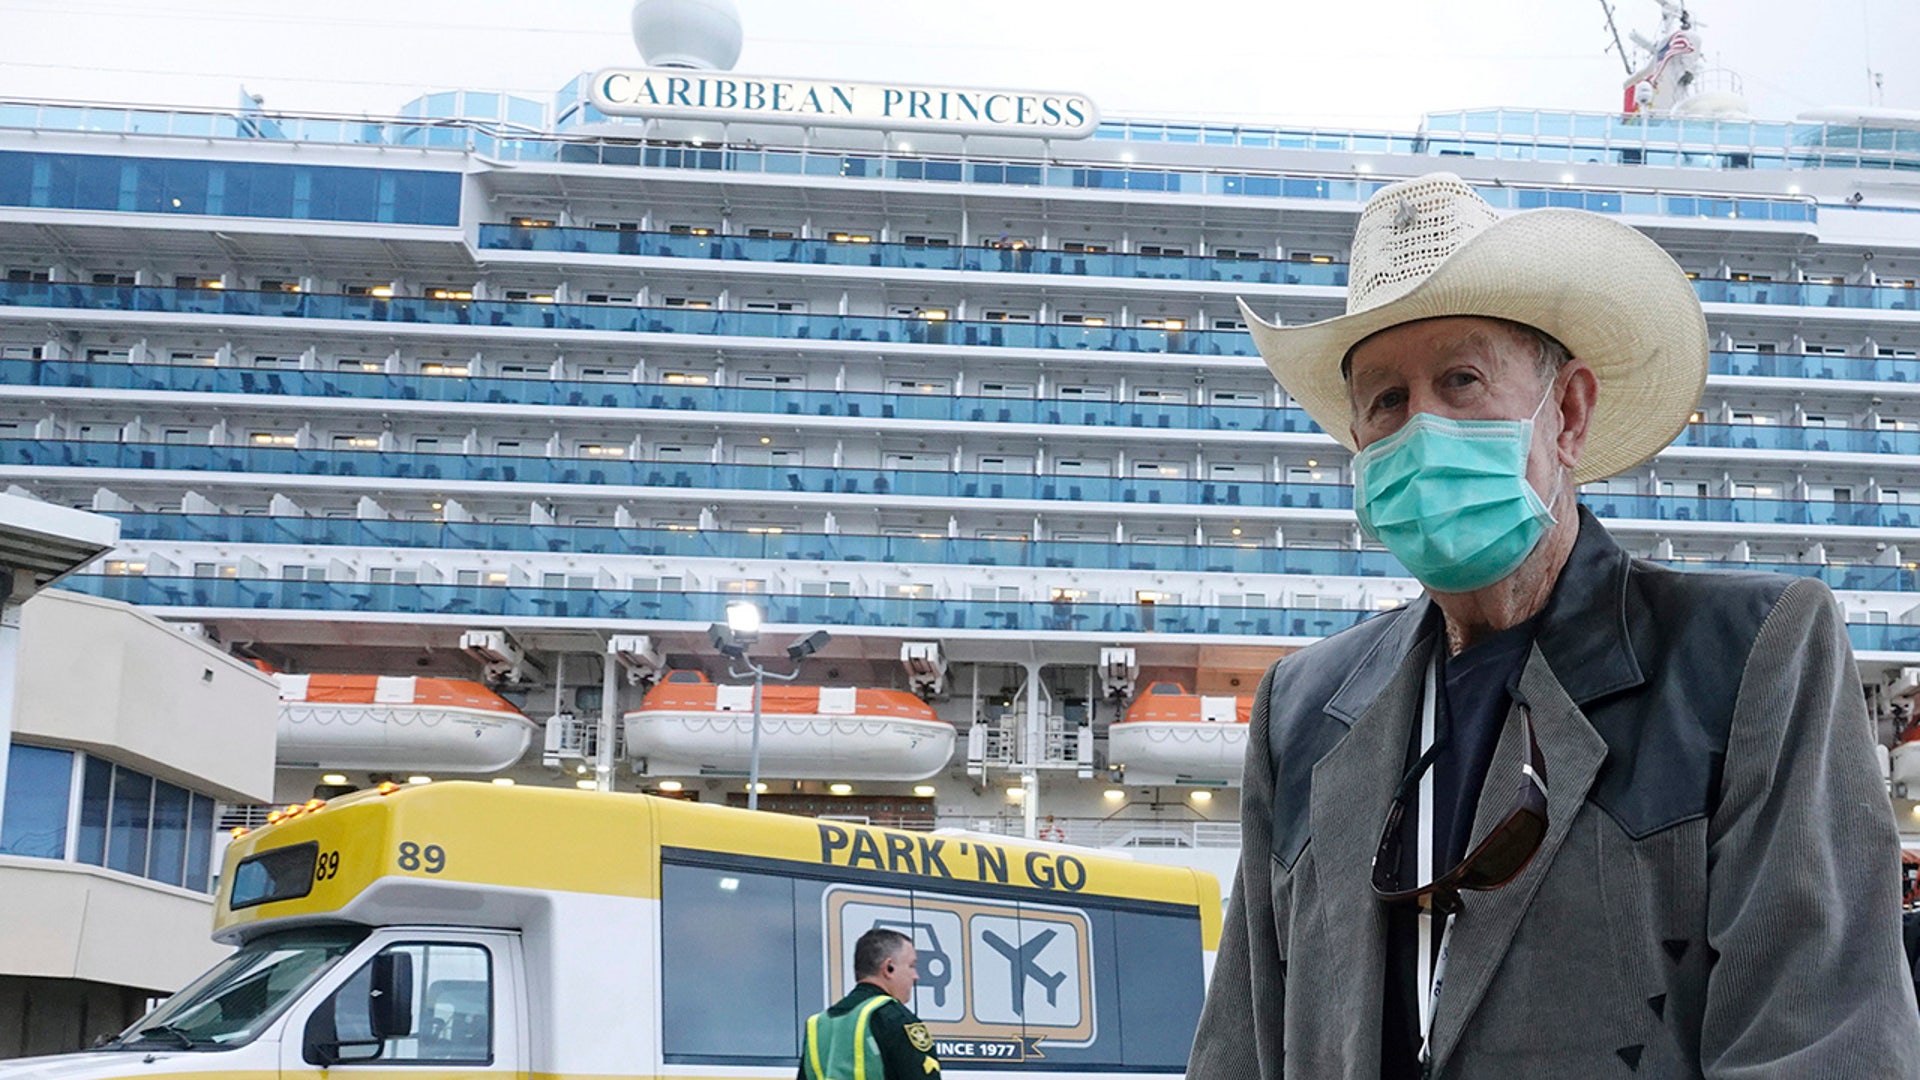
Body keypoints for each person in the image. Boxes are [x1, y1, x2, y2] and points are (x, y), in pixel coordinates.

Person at [1190, 172, 1920, 1078]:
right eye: (1385, 401)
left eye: (1461, 381)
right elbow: (1241, 1050)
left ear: (1567, 413)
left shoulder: (1748, 654)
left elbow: (1822, 1043)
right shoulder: (1300, 706)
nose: (1420, 429)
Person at [799, 928, 940, 1080]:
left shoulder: (817, 1025)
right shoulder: (894, 1018)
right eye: (911, 966)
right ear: (888, 968)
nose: (916, 976)